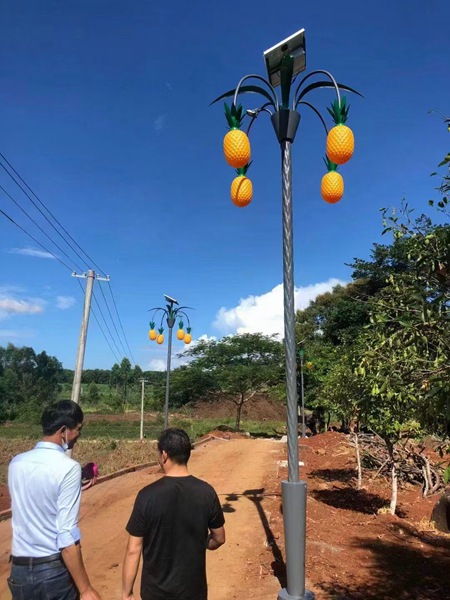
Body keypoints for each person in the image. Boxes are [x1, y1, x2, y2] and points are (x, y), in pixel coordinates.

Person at [7, 400, 101, 600]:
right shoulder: (68, 468)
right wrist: (85, 589)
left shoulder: (16, 463)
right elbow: (66, 536)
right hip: (52, 573)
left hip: (19, 572)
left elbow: (36, 498)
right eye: (78, 429)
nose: (79, 435)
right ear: (64, 431)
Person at [122, 428, 225, 600]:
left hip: (155, 593)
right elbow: (219, 538)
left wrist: (127, 593)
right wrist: (203, 543)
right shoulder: (206, 492)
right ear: (187, 454)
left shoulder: (146, 495)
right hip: (193, 592)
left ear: (164, 455)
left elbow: (133, 549)